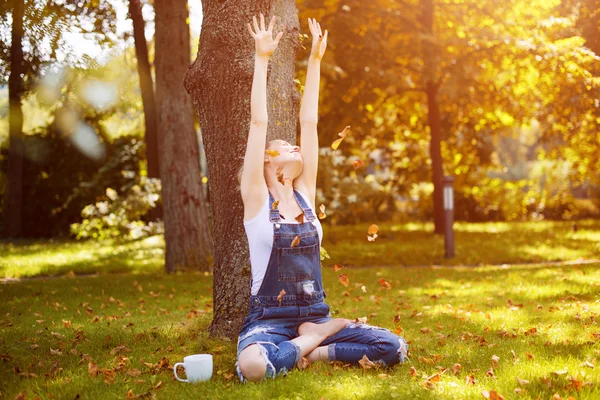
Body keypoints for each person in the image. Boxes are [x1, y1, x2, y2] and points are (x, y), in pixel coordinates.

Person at [235, 13, 408, 383]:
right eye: (284, 146)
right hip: (269, 322)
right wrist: (261, 58)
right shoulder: (255, 198)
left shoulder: (305, 195)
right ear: (267, 161)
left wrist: (315, 60)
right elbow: (258, 123)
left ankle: (315, 349)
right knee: (251, 368)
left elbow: (309, 122)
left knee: (393, 347)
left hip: (316, 313)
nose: (295, 145)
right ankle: (307, 345)